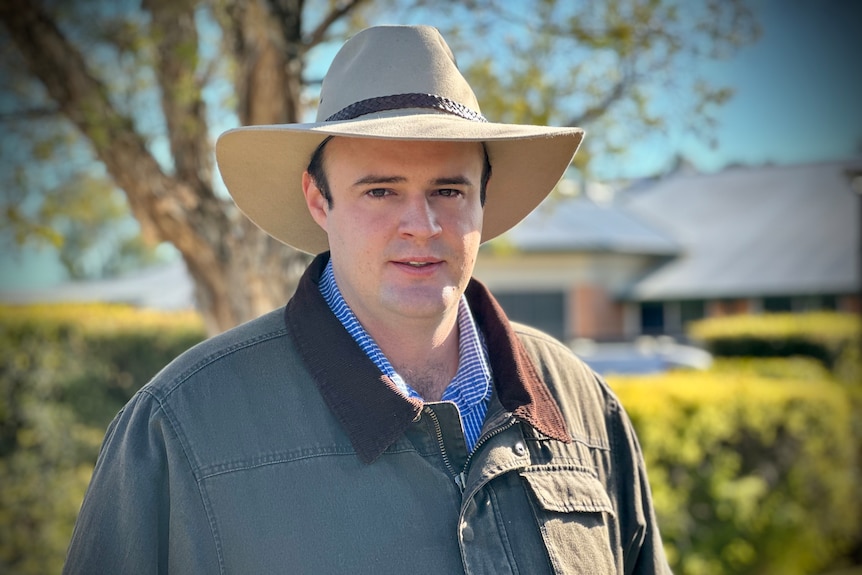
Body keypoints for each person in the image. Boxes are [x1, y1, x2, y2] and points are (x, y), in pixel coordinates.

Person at [63, 25, 671, 574]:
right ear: (318, 199)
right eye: (380, 190)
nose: (422, 224)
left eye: (449, 189)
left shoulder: (587, 408)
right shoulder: (180, 426)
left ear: (484, 197)